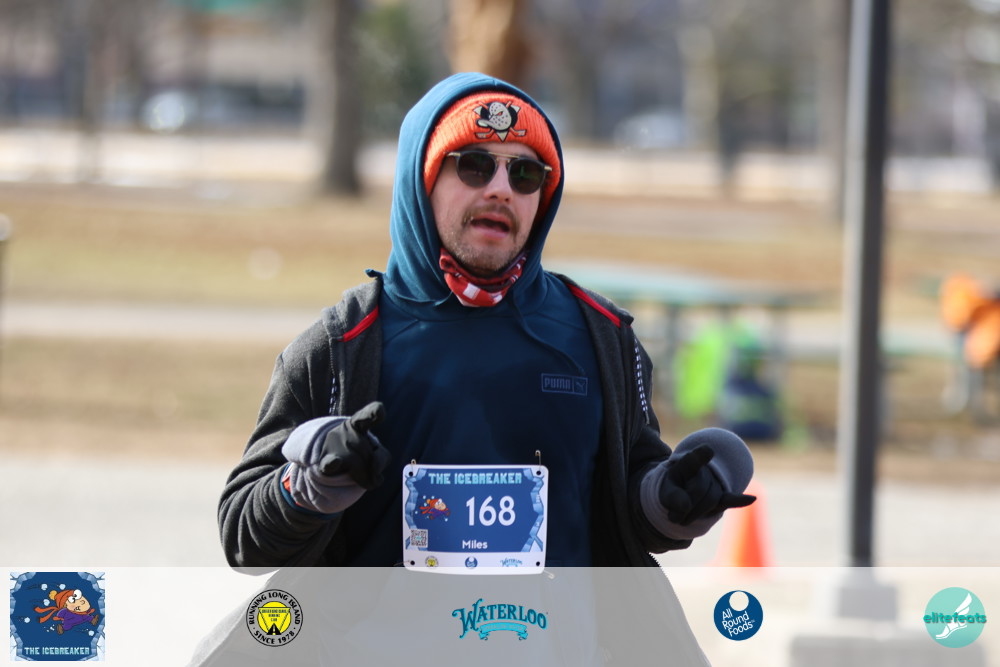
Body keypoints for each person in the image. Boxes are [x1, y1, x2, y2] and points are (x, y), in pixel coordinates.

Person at [218, 71, 755, 571]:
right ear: (421, 180)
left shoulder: (602, 338)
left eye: (525, 173)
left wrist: (674, 500)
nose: (500, 188)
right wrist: (309, 485)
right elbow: (244, 541)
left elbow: (631, 510)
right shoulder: (342, 346)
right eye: (474, 165)